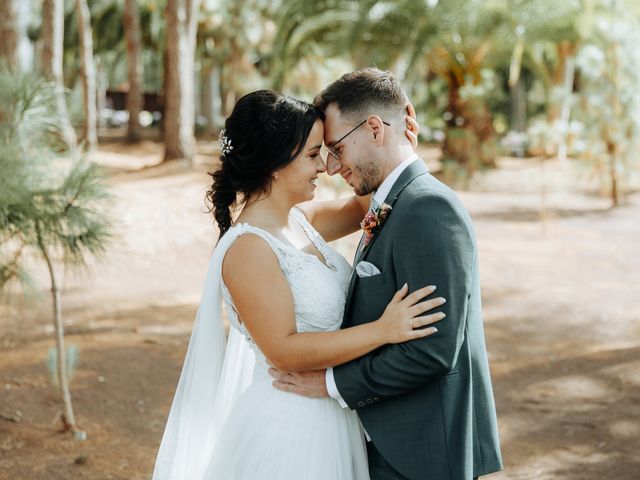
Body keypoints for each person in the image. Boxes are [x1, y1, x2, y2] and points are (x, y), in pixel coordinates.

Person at [152, 89, 446, 479]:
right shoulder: (248, 248)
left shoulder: (303, 219)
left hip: (333, 412)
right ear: (276, 163)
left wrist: (399, 144)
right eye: (312, 154)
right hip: (291, 428)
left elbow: (373, 201)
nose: (325, 167)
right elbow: (284, 351)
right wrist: (381, 332)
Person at [269, 68, 503, 480]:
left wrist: (331, 385)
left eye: (336, 148)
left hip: (422, 451)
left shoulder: (429, 209)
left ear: (375, 129)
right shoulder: (390, 201)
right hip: (390, 444)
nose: (332, 166)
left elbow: (433, 351)